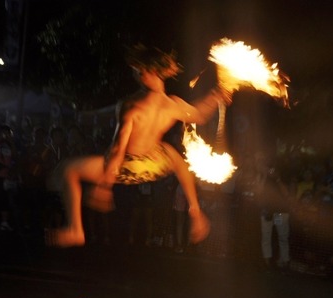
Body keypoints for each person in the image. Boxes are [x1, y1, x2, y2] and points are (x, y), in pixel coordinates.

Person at [46, 44, 236, 247]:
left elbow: (119, 148)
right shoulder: (172, 105)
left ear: (149, 71)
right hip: (155, 163)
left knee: (68, 170)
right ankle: (196, 212)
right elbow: (199, 115)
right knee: (176, 158)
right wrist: (217, 94)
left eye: (137, 71)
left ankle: (75, 229)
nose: (135, 75)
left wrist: (105, 185)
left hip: (128, 166)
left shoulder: (132, 106)